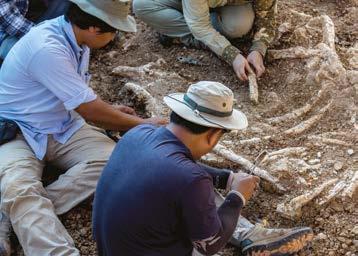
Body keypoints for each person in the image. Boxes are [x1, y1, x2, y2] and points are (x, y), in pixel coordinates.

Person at [0, 0, 166, 255]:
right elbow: (90, 110)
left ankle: (15, 214)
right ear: (94, 29)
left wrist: (108, 108)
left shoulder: (76, 38)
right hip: (17, 131)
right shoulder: (47, 47)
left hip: (62, 125)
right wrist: (142, 124)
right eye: (114, 31)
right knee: (19, 188)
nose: (115, 38)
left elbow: (79, 95)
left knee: (115, 162)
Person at [93, 81, 313, 256]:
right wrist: (237, 197)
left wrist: (226, 178)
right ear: (213, 134)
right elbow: (210, 245)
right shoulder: (190, 179)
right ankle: (249, 235)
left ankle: (249, 235)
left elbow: (172, 170)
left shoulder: (137, 134)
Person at [132, 0, 276, 82]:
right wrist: (231, 54)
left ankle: (174, 29)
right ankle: (195, 35)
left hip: (230, 6)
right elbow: (200, 26)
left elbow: (267, 14)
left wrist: (258, 48)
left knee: (238, 27)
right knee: (142, 5)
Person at [0, 0, 71, 64]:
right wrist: (51, 40)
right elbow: (10, 22)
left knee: (65, 3)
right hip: (6, 34)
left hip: (33, 21)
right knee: (44, 60)